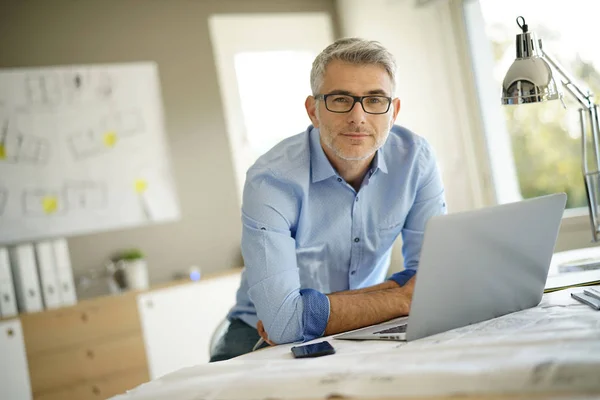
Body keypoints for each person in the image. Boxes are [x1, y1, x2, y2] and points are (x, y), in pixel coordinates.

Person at [209, 37, 447, 362]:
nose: (358, 117)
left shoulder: (415, 159)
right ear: (313, 110)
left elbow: (433, 278)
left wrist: (308, 312)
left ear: (394, 111)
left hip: (363, 327)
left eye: (375, 100)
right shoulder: (271, 180)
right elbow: (281, 325)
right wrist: (402, 298)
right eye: (340, 99)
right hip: (255, 339)